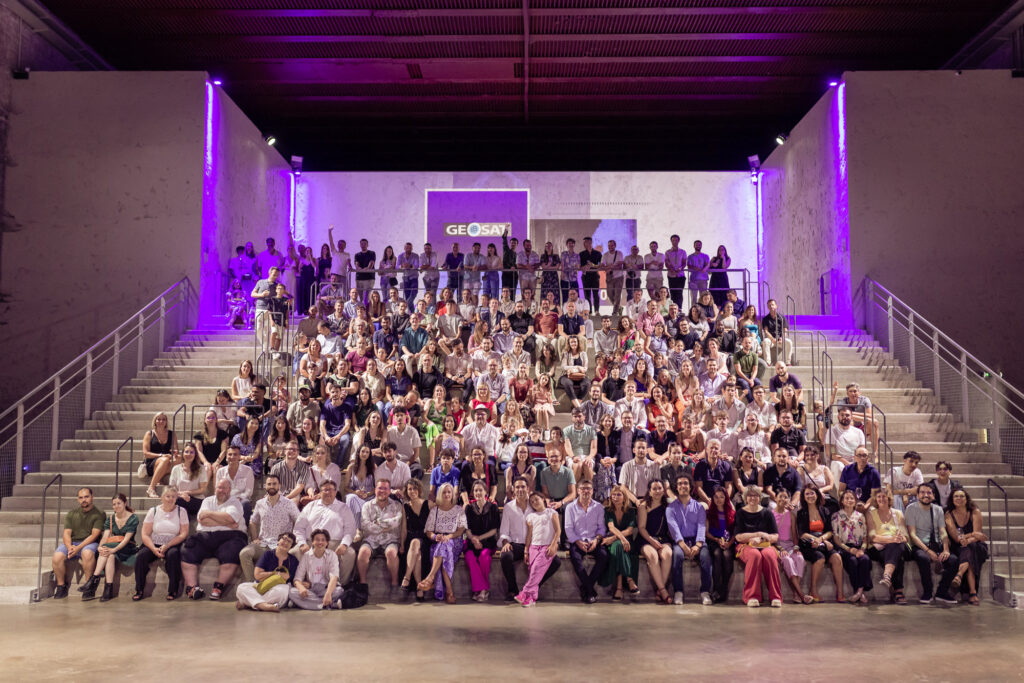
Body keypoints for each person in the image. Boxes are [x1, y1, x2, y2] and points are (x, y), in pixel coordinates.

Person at [181, 478, 248, 600]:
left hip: (230, 536)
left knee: (232, 551)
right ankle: (192, 588)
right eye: (219, 488)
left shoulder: (235, 502)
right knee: (188, 549)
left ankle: (218, 587)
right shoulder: (207, 501)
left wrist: (210, 514)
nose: (221, 490)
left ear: (229, 490)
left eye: (224, 488)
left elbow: (230, 518)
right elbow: (202, 520)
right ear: (215, 489)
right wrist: (227, 523)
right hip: (206, 535)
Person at [293, 480, 357, 584]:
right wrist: (302, 543)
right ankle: (302, 583)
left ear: (336, 492)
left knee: (349, 554)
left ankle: (340, 585)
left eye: (331, 490)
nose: (328, 492)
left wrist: (344, 544)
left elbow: (350, 530)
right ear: (320, 492)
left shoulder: (344, 508)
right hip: (311, 542)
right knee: (295, 551)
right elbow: (298, 528)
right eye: (325, 490)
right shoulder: (310, 506)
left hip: (334, 543)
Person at [132, 485, 189, 601]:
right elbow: (145, 534)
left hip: (172, 543)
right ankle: (139, 589)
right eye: (168, 496)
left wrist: (167, 546)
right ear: (162, 497)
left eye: (173, 496)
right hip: (154, 543)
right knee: (141, 556)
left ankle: (173, 590)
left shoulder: (181, 511)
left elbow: (183, 534)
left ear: (176, 498)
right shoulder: (153, 511)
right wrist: (153, 549)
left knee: (173, 555)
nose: (170, 499)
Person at [79, 493, 139, 602]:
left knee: (108, 551)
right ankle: (108, 590)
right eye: (114, 504)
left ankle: (93, 580)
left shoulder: (133, 518)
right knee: (109, 555)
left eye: (119, 503)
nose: (116, 506)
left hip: (127, 547)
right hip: (112, 547)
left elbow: (126, 539)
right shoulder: (110, 519)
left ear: (125, 503)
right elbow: (105, 537)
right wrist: (100, 547)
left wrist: (113, 549)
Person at [240, 474, 300, 582]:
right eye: (269, 484)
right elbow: (253, 521)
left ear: (279, 486)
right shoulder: (260, 503)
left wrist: (292, 540)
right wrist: (255, 538)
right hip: (263, 543)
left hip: (281, 545)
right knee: (244, 553)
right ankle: (253, 584)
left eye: (274, 484)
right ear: (265, 486)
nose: (272, 486)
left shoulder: (289, 504)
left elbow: (299, 521)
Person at [906, 483, 959, 604]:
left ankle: (942, 592)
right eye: (922, 492)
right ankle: (928, 592)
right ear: (917, 495)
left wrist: (946, 549)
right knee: (923, 558)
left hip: (936, 545)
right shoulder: (911, 508)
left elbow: (942, 531)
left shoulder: (938, 509)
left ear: (934, 496)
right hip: (919, 545)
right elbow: (912, 535)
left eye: (929, 493)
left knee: (954, 560)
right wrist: (928, 551)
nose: (926, 495)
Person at [733, 485, 783, 608]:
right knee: (755, 555)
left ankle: (775, 596)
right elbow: (738, 537)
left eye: (755, 495)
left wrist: (761, 538)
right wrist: (756, 535)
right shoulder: (740, 513)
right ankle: (751, 596)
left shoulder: (767, 513)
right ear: (745, 498)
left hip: (765, 544)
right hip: (745, 545)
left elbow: (775, 536)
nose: (752, 498)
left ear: (760, 497)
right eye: (750, 495)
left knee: (769, 555)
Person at [666, 475, 713, 605]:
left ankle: (705, 592)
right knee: (677, 556)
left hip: (697, 540)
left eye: (685, 483)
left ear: (690, 487)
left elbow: (702, 526)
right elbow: (673, 529)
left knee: (705, 556)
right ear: (676, 487)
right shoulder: (670, 508)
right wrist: (683, 545)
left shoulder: (699, 507)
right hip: (679, 541)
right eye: (680, 483)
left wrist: (698, 545)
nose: (683, 486)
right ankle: (678, 592)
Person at [416, 483, 467, 603]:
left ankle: (430, 577)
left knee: (445, 546)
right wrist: (435, 537)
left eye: (449, 492)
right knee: (443, 550)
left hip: (455, 541)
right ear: (440, 494)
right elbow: (428, 531)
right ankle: (449, 592)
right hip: (438, 542)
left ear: (452, 494)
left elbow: (461, 531)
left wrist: (448, 536)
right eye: (444, 492)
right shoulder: (435, 510)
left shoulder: (459, 510)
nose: (447, 494)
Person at [51, 487, 105, 599]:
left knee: (87, 553)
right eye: (81, 497)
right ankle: (61, 586)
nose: (84, 500)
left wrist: (78, 548)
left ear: (92, 497)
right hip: (73, 543)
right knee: (57, 556)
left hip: (90, 543)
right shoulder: (72, 514)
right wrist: (69, 547)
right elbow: (66, 533)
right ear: (78, 499)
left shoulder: (99, 514)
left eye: (86, 497)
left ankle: (89, 587)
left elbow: (94, 535)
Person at [796, 485, 844, 603]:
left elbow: (830, 531)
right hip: (809, 545)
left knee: (837, 558)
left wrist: (822, 540)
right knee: (820, 558)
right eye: (807, 494)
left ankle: (840, 592)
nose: (810, 496)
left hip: (823, 542)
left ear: (817, 495)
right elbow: (802, 534)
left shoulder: (825, 510)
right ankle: (813, 589)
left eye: (812, 493)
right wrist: (817, 540)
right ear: (803, 497)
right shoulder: (801, 513)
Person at [564, 480, 609, 603]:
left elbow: (602, 527)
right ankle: (590, 591)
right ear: (578, 491)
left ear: (592, 491)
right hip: (577, 540)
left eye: (588, 488)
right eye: (583, 488)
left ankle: (586, 588)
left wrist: (596, 540)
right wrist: (578, 541)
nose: (585, 491)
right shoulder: (570, 507)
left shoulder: (598, 507)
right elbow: (568, 528)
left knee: (604, 556)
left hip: (594, 540)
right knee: (576, 559)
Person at [356, 479, 405, 591]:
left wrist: (378, 522)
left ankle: (394, 584)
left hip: (390, 539)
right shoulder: (367, 506)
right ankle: (363, 585)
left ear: (389, 491)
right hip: (371, 539)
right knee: (363, 552)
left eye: (385, 488)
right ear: (375, 490)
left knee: (391, 553)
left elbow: (396, 522)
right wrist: (386, 527)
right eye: (380, 488)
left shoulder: (397, 505)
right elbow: (365, 525)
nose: (382, 491)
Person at [235, 531, 299, 612]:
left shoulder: (293, 560)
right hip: (261, 585)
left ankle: (249, 603)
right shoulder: (267, 554)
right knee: (242, 587)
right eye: (284, 539)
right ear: (278, 541)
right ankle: (264, 606)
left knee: (284, 591)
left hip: (277, 589)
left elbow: (289, 578)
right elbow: (257, 575)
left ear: (291, 546)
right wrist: (276, 574)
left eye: (289, 541)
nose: (285, 542)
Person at [866, 489, 910, 605]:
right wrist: (891, 539)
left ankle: (887, 575)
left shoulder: (898, 513)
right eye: (879, 497)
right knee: (898, 556)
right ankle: (898, 592)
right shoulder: (871, 514)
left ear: (889, 498)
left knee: (896, 548)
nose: (881, 499)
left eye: (884, 496)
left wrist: (898, 539)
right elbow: (872, 537)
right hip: (877, 548)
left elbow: (905, 537)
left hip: (896, 545)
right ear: (875, 499)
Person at [945, 488, 988, 606]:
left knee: (971, 547)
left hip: (977, 545)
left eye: (962, 496)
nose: (959, 498)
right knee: (969, 552)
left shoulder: (975, 512)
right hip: (959, 546)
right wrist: (972, 534)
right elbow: (956, 538)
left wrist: (968, 538)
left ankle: (959, 575)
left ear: (966, 499)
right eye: (956, 496)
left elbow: (977, 537)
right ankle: (973, 593)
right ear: (952, 499)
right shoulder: (948, 515)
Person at [832, 489, 872, 605]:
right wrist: (850, 550)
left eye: (852, 498)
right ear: (842, 501)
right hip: (844, 547)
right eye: (847, 498)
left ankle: (859, 592)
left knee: (865, 559)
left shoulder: (861, 516)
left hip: (859, 547)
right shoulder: (836, 516)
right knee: (853, 561)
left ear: (855, 501)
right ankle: (859, 592)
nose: (849, 500)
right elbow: (836, 539)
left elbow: (865, 536)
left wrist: (862, 549)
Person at [638, 479, 674, 604]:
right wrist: (652, 541)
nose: (657, 491)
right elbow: (641, 528)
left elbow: (677, 500)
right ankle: (663, 591)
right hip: (646, 538)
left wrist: (669, 490)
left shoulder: (668, 505)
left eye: (660, 488)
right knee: (653, 555)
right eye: (654, 489)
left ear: (664, 490)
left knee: (667, 554)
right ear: (649, 491)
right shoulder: (643, 506)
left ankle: (659, 590)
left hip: (662, 538)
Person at [289, 529, 345, 610]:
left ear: (327, 542)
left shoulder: (332, 555)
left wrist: (328, 594)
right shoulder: (306, 556)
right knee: (292, 592)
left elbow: (334, 577)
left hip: (325, 588)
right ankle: (329, 604)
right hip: (310, 589)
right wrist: (301, 588)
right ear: (312, 542)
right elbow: (297, 578)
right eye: (317, 540)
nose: (320, 542)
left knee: (339, 590)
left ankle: (305, 603)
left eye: (323, 540)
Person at [464, 480, 501, 602]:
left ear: (486, 491)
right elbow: (467, 529)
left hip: (488, 542)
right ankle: (482, 589)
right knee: (470, 557)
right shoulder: (469, 508)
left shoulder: (493, 507)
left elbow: (494, 530)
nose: (478, 492)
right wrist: (474, 540)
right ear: (472, 493)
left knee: (484, 557)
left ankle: (480, 590)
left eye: (480, 490)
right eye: (476, 490)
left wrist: (479, 539)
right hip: (471, 542)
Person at [771, 488, 810, 604]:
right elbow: (770, 536)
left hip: (790, 545)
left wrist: (796, 547)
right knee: (787, 560)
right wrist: (780, 548)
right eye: (780, 496)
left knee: (800, 558)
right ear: (775, 498)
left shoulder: (791, 515)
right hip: (777, 545)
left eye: (786, 497)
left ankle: (796, 593)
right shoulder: (770, 514)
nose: (783, 499)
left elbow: (794, 534)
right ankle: (801, 594)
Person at [703, 486, 736, 603]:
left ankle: (723, 588)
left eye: (721, 497)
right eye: (716, 497)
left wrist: (729, 543)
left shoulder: (732, 513)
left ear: (726, 498)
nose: (719, 499)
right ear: (712, 498)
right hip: (714, 541)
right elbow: (706, 533)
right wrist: (717, 540)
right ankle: (716, 589)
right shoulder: (709, 513)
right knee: (717, 554)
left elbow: (735, 533)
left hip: (729, 542)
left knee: (727, 555)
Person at [143, 412, 179, 499]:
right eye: (158, 419)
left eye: (163, 419)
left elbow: (175, 450)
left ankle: (159, 477)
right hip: (152, 462)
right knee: (164, 460)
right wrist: (161, 455)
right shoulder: (149, 434)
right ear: (155, 421)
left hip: (167, 460)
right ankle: (151, 488)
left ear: (166, 422)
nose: (161, 421)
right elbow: (146, 453)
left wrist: (174, 453)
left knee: (180, 458)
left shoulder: (172, 434)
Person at [169, 443, 209, 519]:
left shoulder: (201, 468)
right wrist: (181, 495)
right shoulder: (176, 469)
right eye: (186, 452)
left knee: (178, 504)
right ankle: (185, 523)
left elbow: (202, 490)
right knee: (180, 506)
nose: (189, 454)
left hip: (197, 500)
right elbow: (172, 488)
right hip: (180, 498)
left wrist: (187, 493)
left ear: (195, 454)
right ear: (183, 453)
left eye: (191, 452)